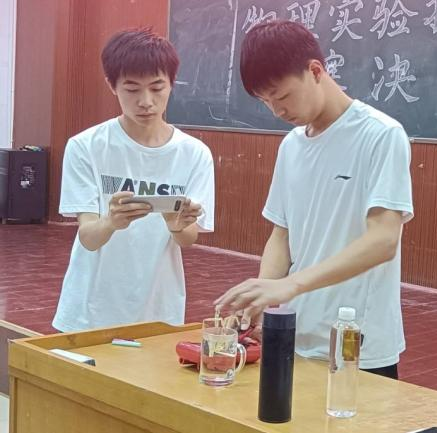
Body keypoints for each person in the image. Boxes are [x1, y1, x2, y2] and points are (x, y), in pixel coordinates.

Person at [215, 20, 413, 378]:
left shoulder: (380, 135)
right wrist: (262, 295)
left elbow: (384, 241)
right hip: (296, 336)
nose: (276, 111)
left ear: (316, 71)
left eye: (282, 96)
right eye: (265, 101)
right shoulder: (291, 146)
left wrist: (290, 284)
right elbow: (282, 235)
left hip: (358, 344)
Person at [52, 28, 215, 332]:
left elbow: (188, 238)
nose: (146, 101)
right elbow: (88, 237)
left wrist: (176, 225)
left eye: (157, 88)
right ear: (111, 85)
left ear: (172, 84)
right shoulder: (86, 146)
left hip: (159, 309)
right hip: (89, 311)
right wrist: (110, 222)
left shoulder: (194, 154)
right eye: (132, 89)